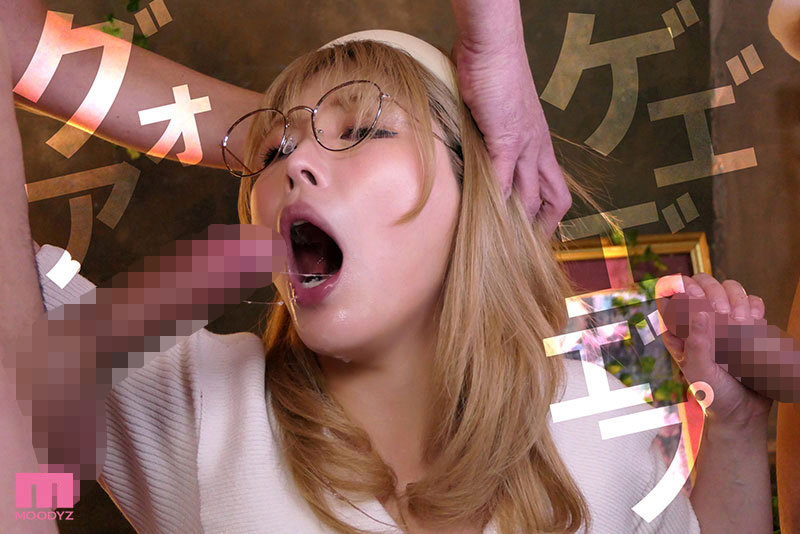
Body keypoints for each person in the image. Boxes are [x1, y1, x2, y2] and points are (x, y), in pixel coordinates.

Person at [1, 16, 778, 532]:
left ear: (478, 188)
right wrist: (256, 128)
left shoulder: (603, 412)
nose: (294, 166)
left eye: (365, 128)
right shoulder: (191, 402)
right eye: (273, 157)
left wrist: (738, 430)